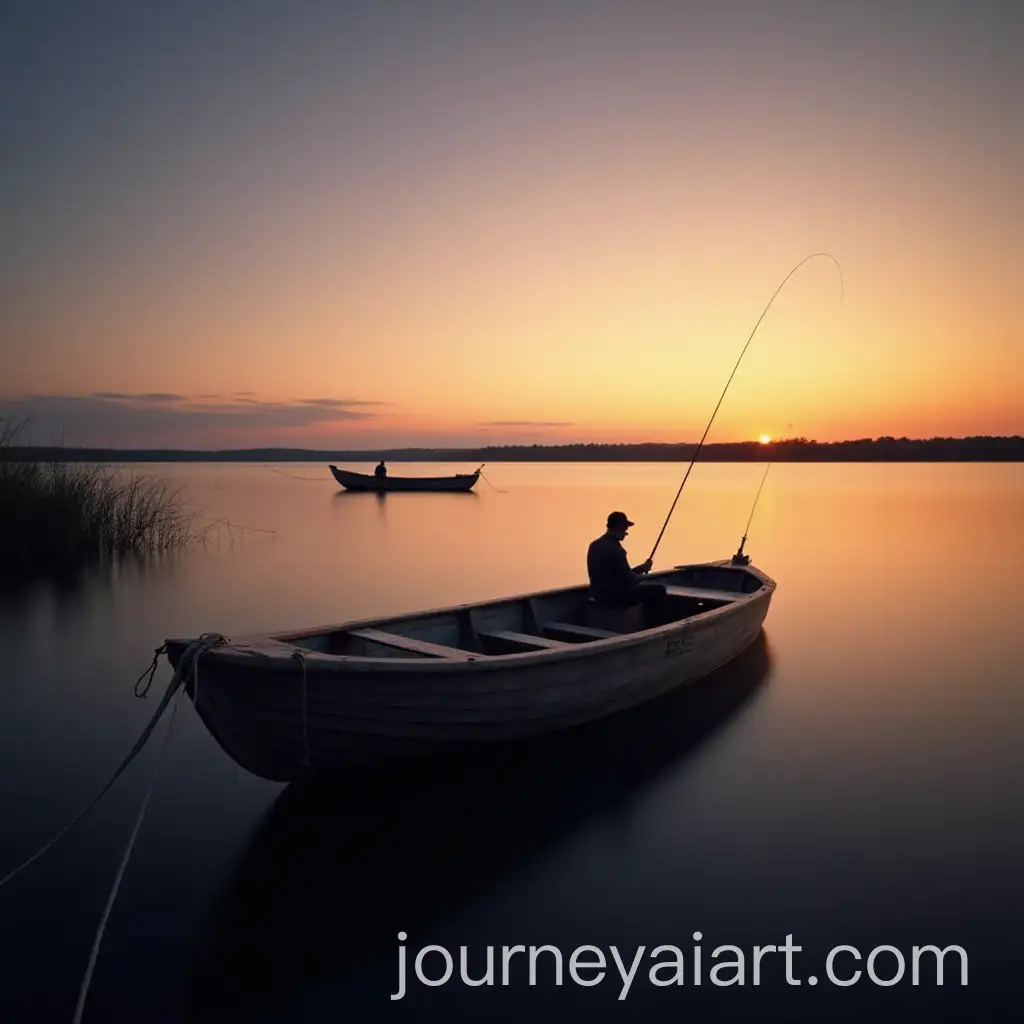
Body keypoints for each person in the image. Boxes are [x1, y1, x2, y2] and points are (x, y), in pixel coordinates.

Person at [587, 511, 669, 626]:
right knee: (659, 590)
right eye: (625, 528)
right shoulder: (617, 551)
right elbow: (630, 581)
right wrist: (644, 577)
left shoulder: (595, 545)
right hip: (614, 598)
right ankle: (657, 627)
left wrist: (641, 568)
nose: (626, 532)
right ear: (619, 527)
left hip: (597, 594)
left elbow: (618, 574)